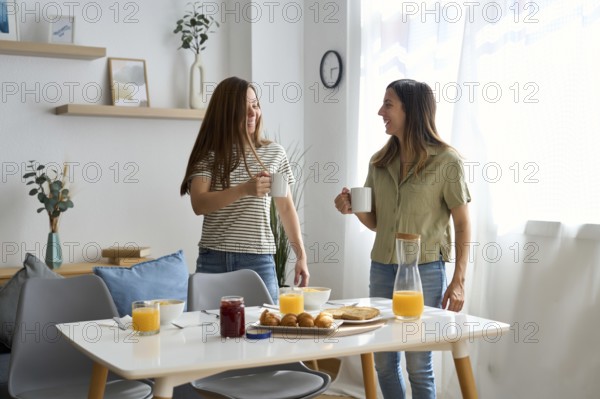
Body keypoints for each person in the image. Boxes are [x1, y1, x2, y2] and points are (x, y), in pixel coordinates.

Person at [334, 79, 471, 398]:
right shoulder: (378, 162)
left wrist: (459, 279)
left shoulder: (447, 161)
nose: (380, 111)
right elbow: (376, 223)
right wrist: (353, 208)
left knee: (418, 365)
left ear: (411, 110)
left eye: (388, 104)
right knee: (383, 361)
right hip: (382, 268)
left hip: (425, 272)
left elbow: (463, 224)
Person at [180, 76, 309, 302]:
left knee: (266, 330)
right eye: (243, 108)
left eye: (255, 105)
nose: (252, 113)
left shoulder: (274, 153)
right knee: (209, 331)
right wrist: (244, 189)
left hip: (258, 261)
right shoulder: (208, 154)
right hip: (214, 259)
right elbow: (199, 204)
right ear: (225, 112)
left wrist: (301, 256)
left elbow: (286, 209)